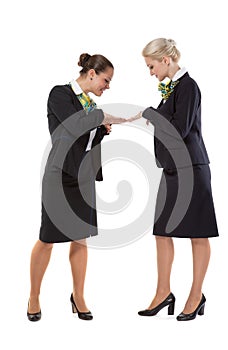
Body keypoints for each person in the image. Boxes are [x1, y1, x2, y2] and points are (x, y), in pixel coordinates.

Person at [27, 53, 126, 321]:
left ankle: (78, 296)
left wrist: (102, 130)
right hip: (58, 175)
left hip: (82, 177)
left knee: (80, 238)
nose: (107, 86)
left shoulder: (90, 107)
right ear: (91, 74)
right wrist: (104, 118)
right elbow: (73, 127)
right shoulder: (59, 94)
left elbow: (86, 139)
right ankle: (34, 295)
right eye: (106, 80)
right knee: (47, 238)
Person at [131, 38, 219, 321]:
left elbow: (179, 128)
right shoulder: (172, 90)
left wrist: (151, 114)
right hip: (172, 169)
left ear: (165, 60)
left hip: (192, 168)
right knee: (162, 231)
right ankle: (163, 292)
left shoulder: (188, 86)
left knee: (198, 232)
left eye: (151, 65)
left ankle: (196, 295)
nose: (151, 71)